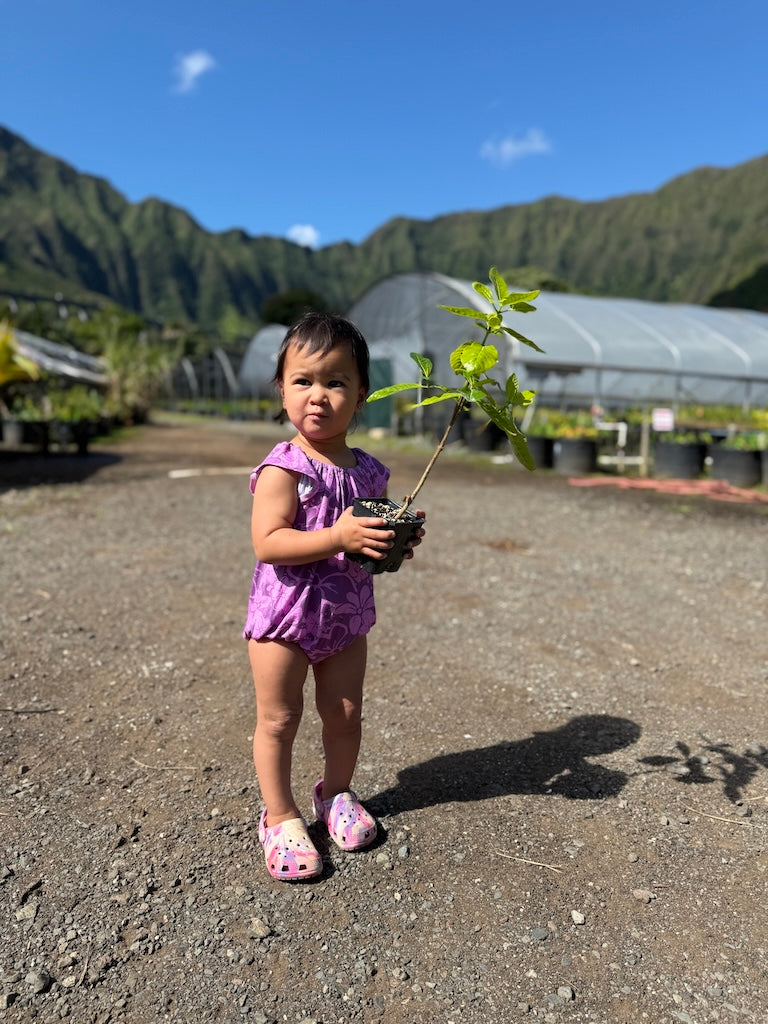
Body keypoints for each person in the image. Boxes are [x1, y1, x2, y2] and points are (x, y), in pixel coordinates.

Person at [243, 311, 425, 881]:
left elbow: (369, 536)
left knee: (344, 715)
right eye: (303, 381)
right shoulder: (284, 468)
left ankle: (337, 793)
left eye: (336, 381)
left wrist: (394, 539)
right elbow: (268, 543)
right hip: (284, 617)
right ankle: (280, 816)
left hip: (346, 617)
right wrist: (338, 536)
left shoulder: (370, 473)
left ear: (362, 392)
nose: (317, 396)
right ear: (282, 387)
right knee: (279, 718)